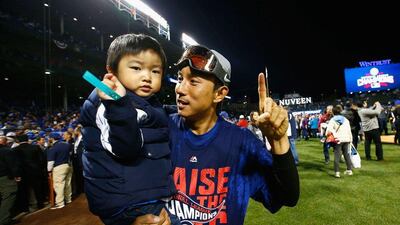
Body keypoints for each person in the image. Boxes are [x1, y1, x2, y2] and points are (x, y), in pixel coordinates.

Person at [132, 45, 299, 225]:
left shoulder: (241, 142)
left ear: (219, 94)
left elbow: (287, 197)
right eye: (180, 79)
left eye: (193, 81)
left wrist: (279, 141)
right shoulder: (157, 128)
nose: (180, 88)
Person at [80, 33, 178, 225]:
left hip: (137, 195)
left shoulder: (146, 102)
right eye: (136, 68)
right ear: (112, 72)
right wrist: (118, 106)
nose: (147, 77)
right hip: (130, 201)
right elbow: (125, 149)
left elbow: (159, 114)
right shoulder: (109, 103)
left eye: (155, 71)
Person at [47, 132, 73, 209]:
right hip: (68, 165)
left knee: (59, 185)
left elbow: (51, 162)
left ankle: (60, 203)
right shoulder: (67, 144)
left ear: (52, 138)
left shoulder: (53, 147)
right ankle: (68, 199)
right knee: (68, 183)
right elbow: (71, 153)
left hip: (59, 167)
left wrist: (49, 171)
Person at [326, 105, 353, 178]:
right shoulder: (346, 119)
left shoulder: (332, 120)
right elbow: (349, 130)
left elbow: (329, 131)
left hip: (338, 139)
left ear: (333, 112)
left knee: (337, 156)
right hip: (346, 139)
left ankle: (337, 172)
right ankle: (349, 170)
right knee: (346, 155)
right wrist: (351, 139)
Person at [0, 136, 21, 225]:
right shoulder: (5, 150)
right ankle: (4, 220)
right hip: (5, 177)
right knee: (9, 196)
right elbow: (12, 165)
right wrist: (17, 175)